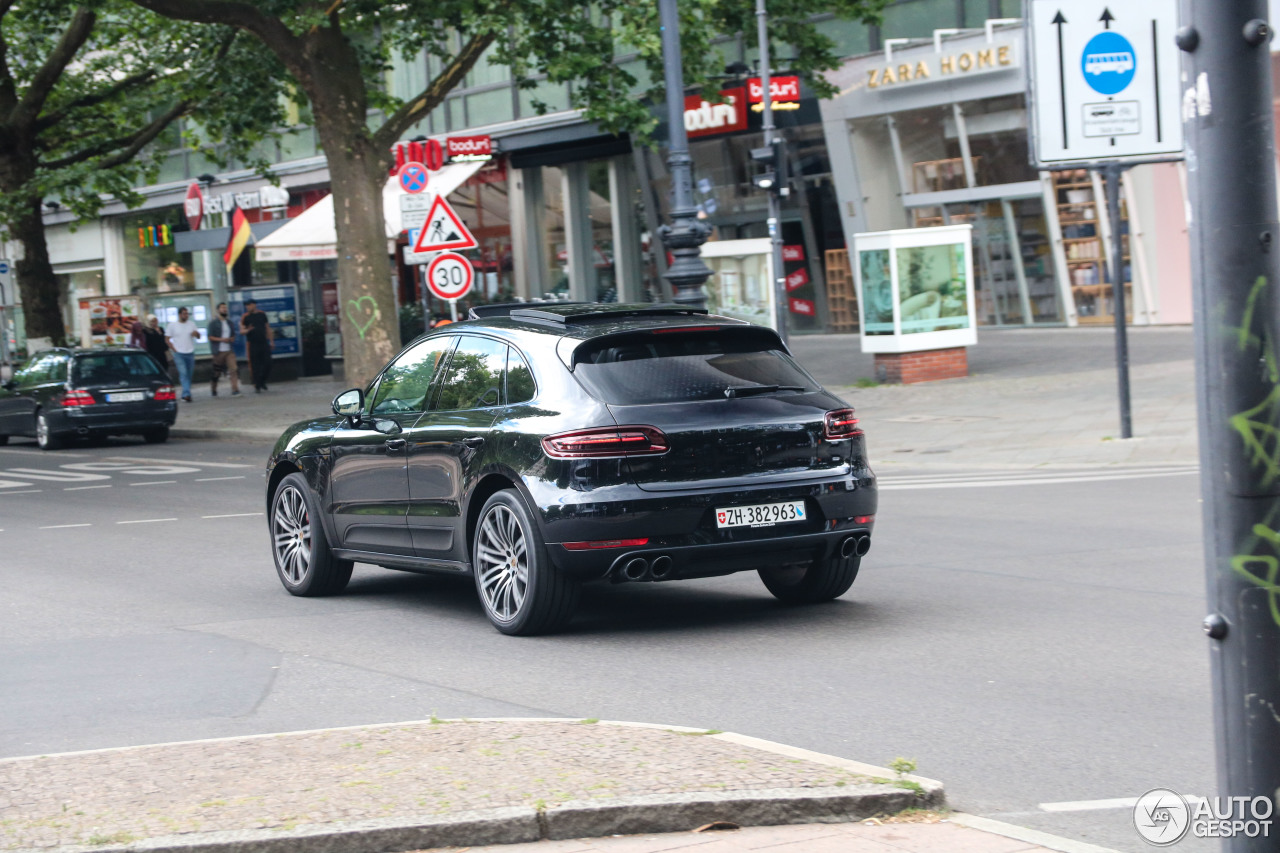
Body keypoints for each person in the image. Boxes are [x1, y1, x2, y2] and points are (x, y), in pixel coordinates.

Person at [165, 307, 200, 402]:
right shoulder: (172, 325)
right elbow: (167, 339)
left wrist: (196, 333)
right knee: (183, 373)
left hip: (190, 352)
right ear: (179, 314)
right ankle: (186, 394)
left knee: (189, 374)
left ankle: (186, 392)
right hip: (179, 353)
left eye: (187, 314)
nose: (186, 315)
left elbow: (198, 336)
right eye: (184, 313)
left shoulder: (191, 324)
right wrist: (173, 349)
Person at [206, 302, 241, 397]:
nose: (224, 309)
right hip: (218, 351)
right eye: (222, 308)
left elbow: (233, 335)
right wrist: (222, 340)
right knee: (216, 372)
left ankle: (235, 389)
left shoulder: (230, 323)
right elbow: (210, 337)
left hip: (229, 350)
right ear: (218, 310)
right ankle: (213, 388)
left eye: (225, 308)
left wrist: (231, 339)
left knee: (233, 369)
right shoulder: (213, 323)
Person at [240, 299, 273, 392]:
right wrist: (248, 330)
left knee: (268, 363)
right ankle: (257, 385)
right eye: (246, 305)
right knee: (255, 365)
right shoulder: (245, 317)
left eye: (249, 305)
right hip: (252, 343)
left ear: (254, 305)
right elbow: (242, 331)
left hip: (263, 342)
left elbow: (267, 328)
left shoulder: (262, 314)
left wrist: (271, 341)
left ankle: (262, 380)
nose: (248, 307)